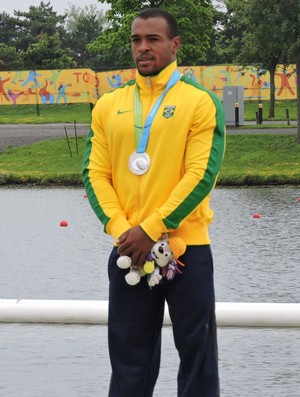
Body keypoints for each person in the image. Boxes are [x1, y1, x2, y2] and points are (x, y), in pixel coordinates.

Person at [83, 8, 225, 397]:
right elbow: (95, 175)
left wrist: (150, 229)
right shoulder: (108, 105)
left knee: (197, 362)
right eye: (136, 40)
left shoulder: (200, 102)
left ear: (175, 44)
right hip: (129, 250)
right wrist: (121, 230)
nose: (143, 48)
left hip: (186, 252)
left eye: (153, 39)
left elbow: (200, 176)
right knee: (129, 364)